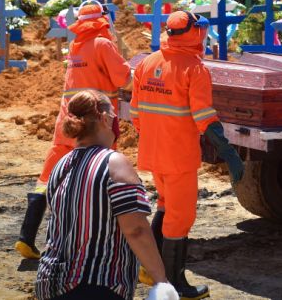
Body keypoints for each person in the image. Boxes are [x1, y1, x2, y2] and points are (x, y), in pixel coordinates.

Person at [130, 11, 244, 300]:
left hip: (153, 152)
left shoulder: (147, 63)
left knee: (166, 206)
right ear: (193, 33)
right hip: (178, 156)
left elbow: (135, 114)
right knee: (180, 218)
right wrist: (229, 152)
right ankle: (173, 285)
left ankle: (149, 270)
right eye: (201, 28)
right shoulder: (194, 68)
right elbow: (205, 117)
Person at [35, 90, 177, 300]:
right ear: (103, 118)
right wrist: (161, 281)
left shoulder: (61, 165)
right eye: (113, 113)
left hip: (50, 283)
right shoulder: (114, 163)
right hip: (95, 285)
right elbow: (136, 229)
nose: (116, 119)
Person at [16, 1, 130, 259]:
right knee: (99, 179)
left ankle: (26, 237)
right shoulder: (102, 44)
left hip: (67, 122)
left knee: (47, 178)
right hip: (96, 126)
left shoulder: (76, 45)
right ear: (103, 18)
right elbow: (123, 79)